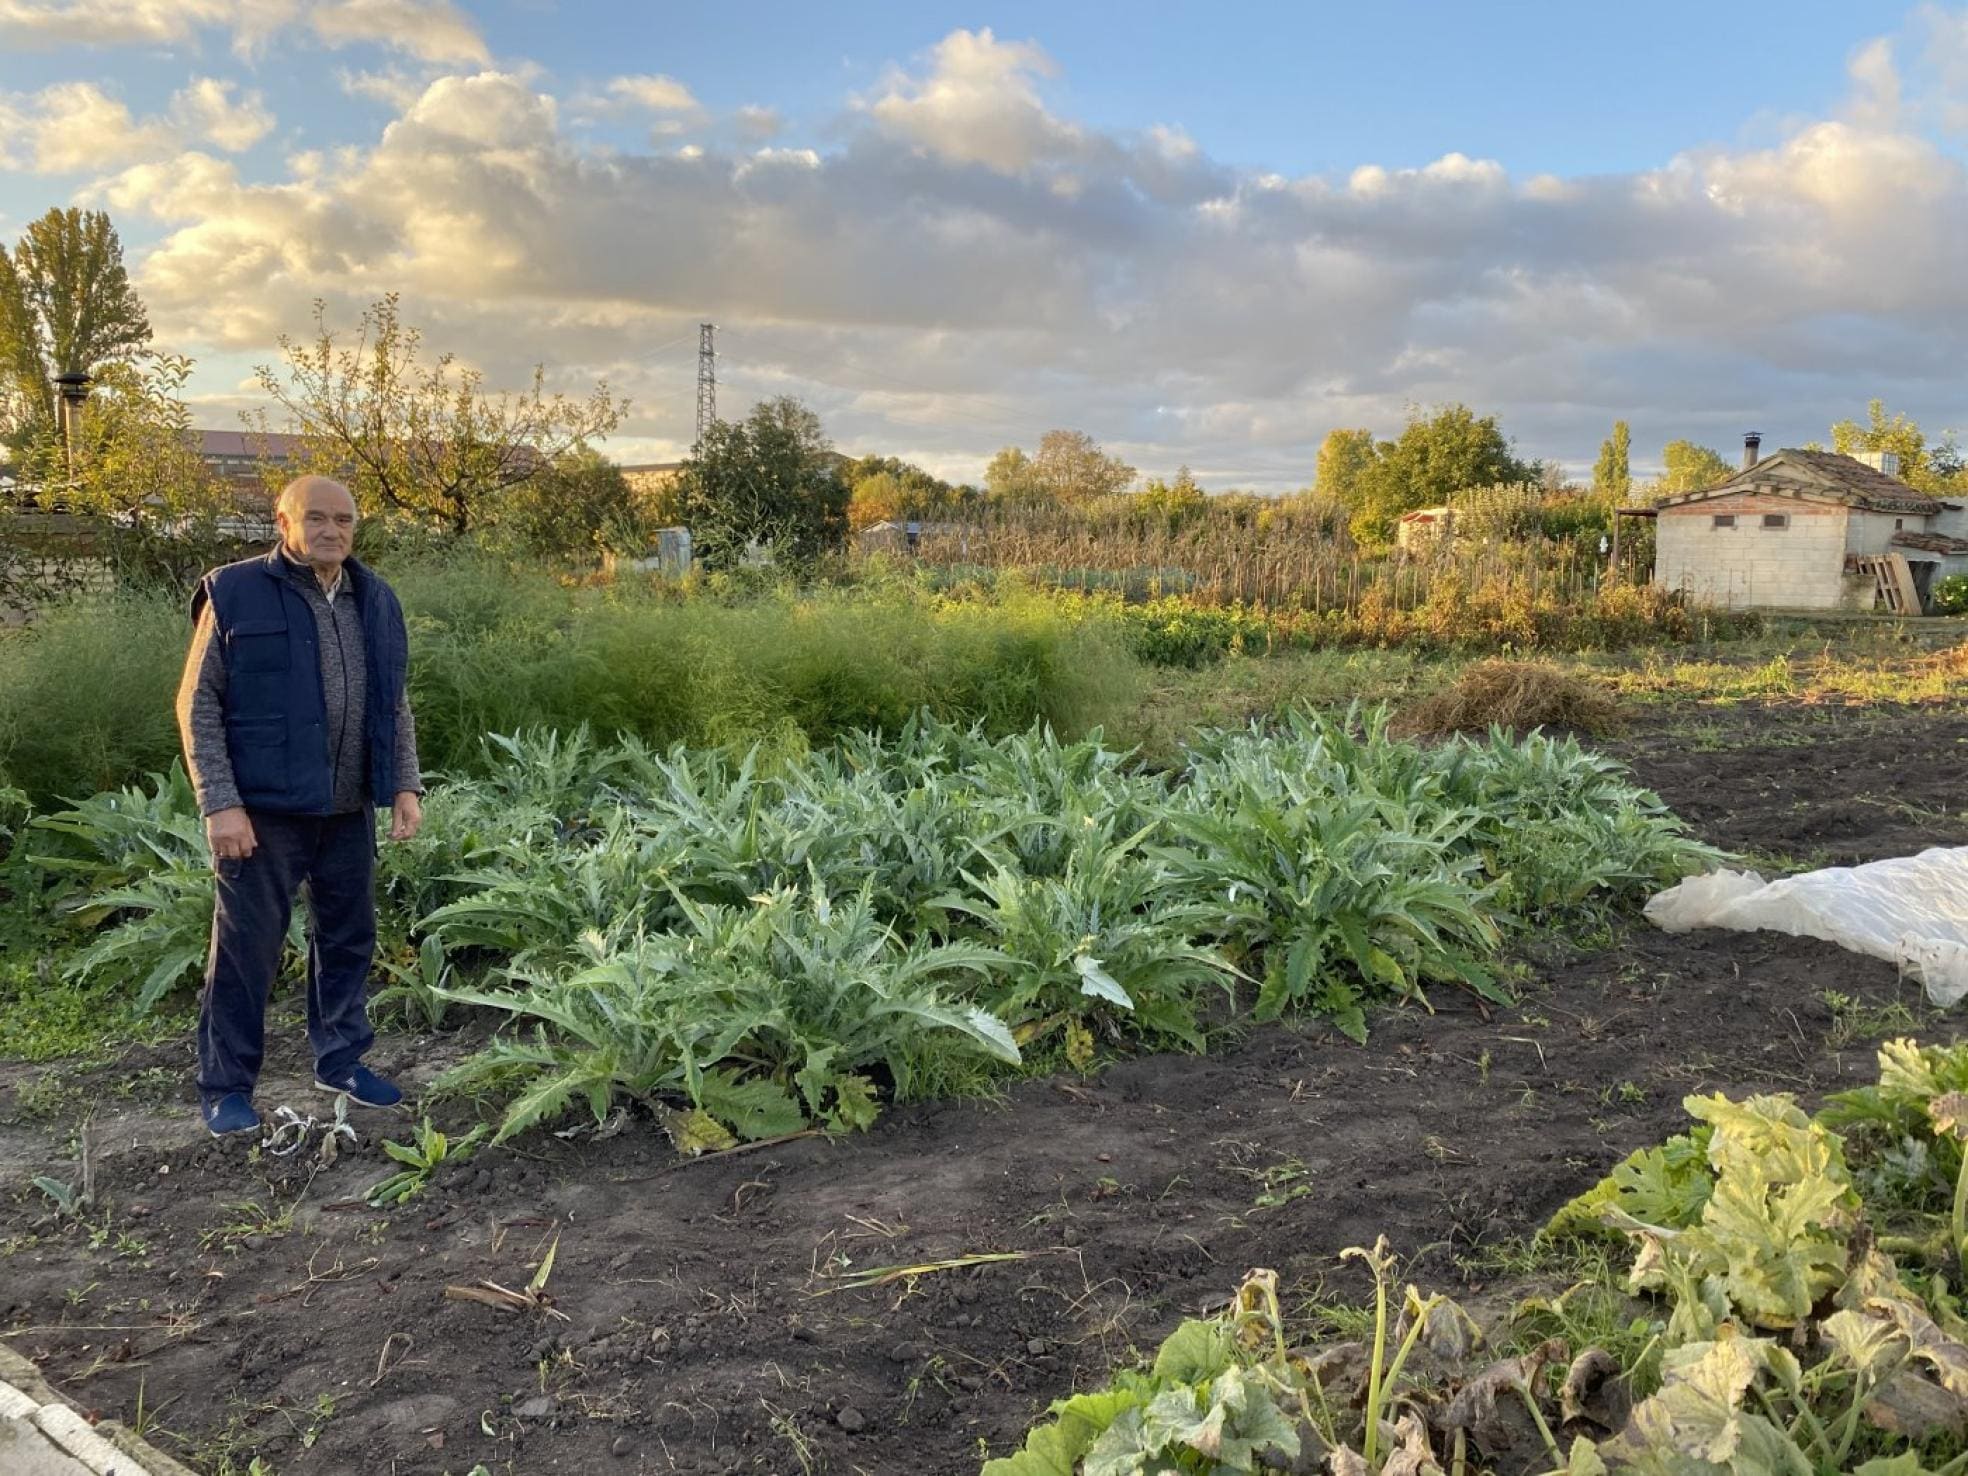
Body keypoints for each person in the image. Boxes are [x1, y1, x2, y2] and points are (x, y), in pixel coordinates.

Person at [175, 475, 424, 1137]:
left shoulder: (375, 599)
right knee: (245, 950)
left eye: (343, 520)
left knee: (347, 941)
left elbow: (393, 702)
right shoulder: (234, 592)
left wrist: (404, 785)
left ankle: (340, 1059)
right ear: (283, 522)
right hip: (261, 812)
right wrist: (220, 804)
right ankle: (226, 1087)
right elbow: (197, 705)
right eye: (315, 517)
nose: (331, 530)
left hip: (346, 809)